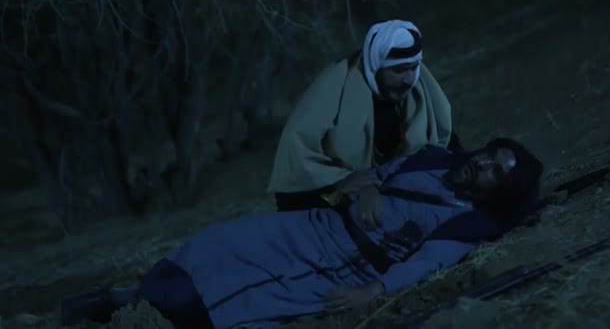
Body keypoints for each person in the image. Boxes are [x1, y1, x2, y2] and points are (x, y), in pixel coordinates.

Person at [60, 138, 543, 329]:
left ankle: (138, 315)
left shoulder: (469, 223)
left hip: (343, 265)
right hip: (317, 225)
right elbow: (364, 177)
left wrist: (374, 290)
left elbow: (426, 262)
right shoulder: (432, 158)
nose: (482, 163)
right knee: (218, 245)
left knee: (240, 299)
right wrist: (368, 186)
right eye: (489, 154)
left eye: (495, 171)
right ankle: (126, 298)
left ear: (499, 192)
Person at [268, 19, 462, 212]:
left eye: (414, 68)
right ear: (376, 65)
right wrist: (342, 182)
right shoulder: (333, 92)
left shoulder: (419, 96)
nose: (409, 80)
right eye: (399, 70)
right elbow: (297, 169)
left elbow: (447, 149)